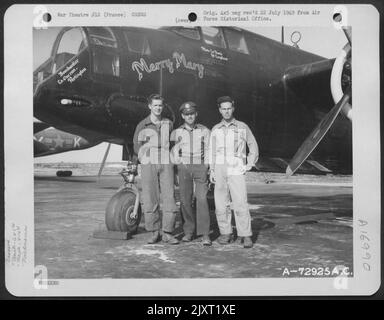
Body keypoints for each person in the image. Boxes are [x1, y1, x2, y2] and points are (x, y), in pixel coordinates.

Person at [209, 96, 259, 248]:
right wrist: (211, 170)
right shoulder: (215, 129)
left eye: (229, 108)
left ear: (233, 108)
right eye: (223, 109)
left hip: (236, 167)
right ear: (219, 110)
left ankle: (246, 235)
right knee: (220, 204)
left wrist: (249, 164)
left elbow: (253, 145)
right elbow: (211, 150)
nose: (226, 111)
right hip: (219, 168)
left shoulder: (242, 127)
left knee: (240, 202)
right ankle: (226, 233)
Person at [133, 94, 179, 245]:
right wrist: (144, 159)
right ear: (149, 106)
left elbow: (174, 143)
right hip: (149, 162)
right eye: (155, 105)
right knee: (150, 197)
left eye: (160, 105)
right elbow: (136, 145)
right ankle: (153, 232)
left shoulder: (169, 123)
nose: (158, 108)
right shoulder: (142, 125)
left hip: (166, 162)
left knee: (169, 197)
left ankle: (167, 232)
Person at [171, 102, 212, 246]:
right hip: (184, 167)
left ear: (196, 114)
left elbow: (208, 149)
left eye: (192, 114)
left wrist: (206, 165)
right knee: (185, 200)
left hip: (200, 166)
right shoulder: (177, 132)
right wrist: (178, 165)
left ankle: (205, 234)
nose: (190, 116)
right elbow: (174, 150)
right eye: (187, 114)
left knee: (201, 199)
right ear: (182, 116)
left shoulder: (204, 130)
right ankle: (188, 231)